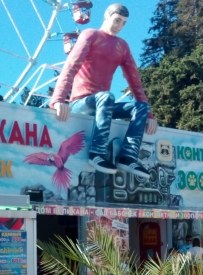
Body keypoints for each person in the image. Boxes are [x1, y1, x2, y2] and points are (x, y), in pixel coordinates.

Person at [49, 3, 158, 178]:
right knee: (106, 97)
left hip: (104, 105)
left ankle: (128, 156)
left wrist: (149, 115)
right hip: (81, 103)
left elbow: (135, 82)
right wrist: (58, 99)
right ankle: (97, 153)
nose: (120, 25)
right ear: (107, 16)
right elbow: (70, 66)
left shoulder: (122, 46)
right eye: (117, 20)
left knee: (140, 108)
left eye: (124, 23)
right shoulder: (90, 35)